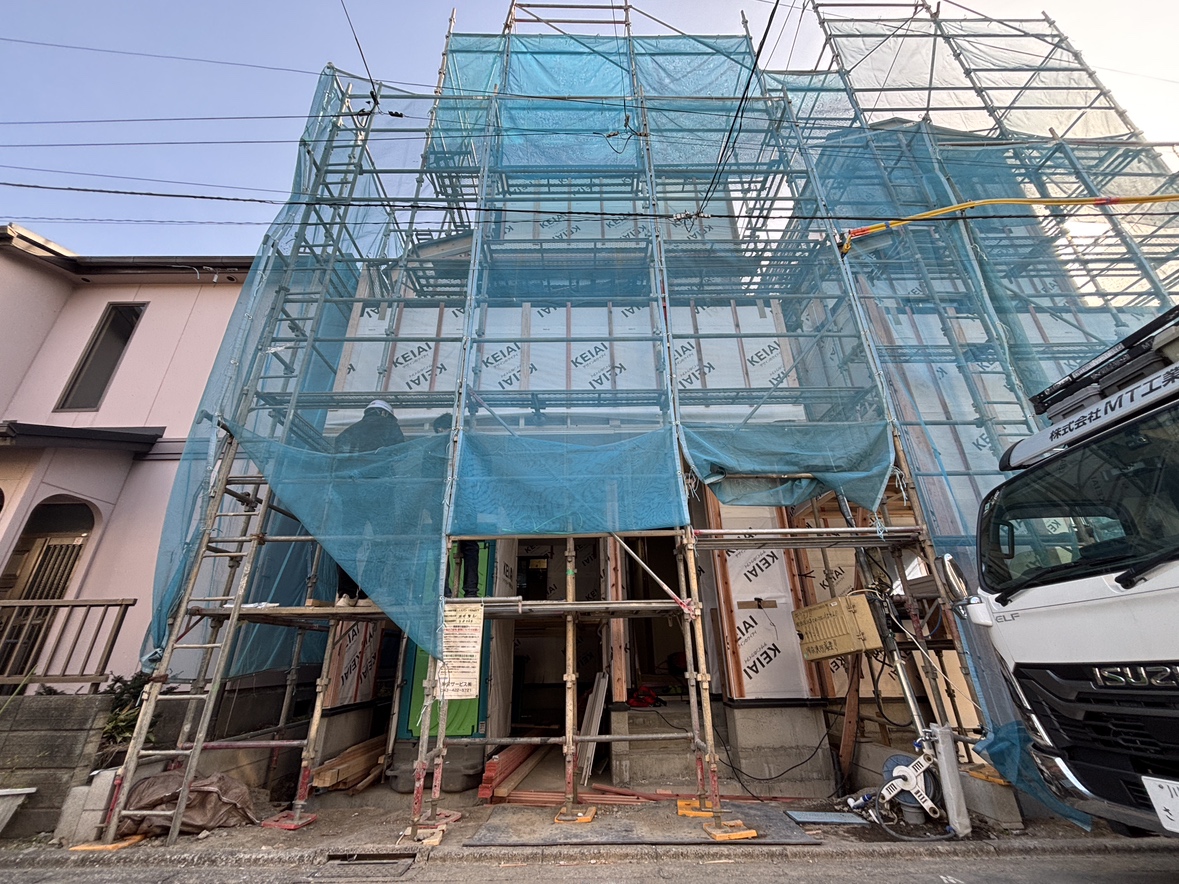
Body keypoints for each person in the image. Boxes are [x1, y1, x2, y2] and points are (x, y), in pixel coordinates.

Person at [333, 400, 405, 606]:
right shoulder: (390, 427)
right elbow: (399, 453)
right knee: (381, 540)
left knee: (349, 542)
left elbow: (337, 464)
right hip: (379, 491)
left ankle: (346, 594)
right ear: (386, 414)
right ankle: (367, 594)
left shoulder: (348, 433)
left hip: (351, 493)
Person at [433, 413, 481, 598]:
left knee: (452, 545)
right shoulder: (468, 447)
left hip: (455, 501)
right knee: (465, 545)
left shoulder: (462, 447)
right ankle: (466, 591)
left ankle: (453, 591)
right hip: (460, 502)